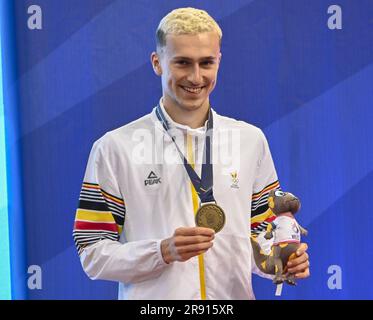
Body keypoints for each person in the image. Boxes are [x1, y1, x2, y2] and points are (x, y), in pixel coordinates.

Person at [73, 7, 310, 300]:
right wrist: (161, 251)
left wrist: (280, 262)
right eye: (182, 63)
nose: (196, 77)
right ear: (157, 63)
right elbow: (92, 251)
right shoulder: (114, 148)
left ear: (219, 62)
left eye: (206, 63)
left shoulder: (250, 140)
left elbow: (260, 239)